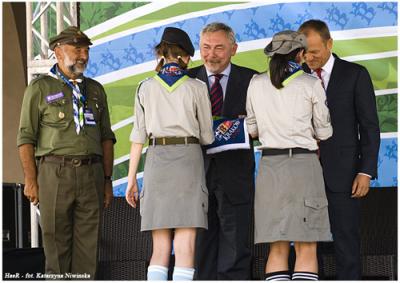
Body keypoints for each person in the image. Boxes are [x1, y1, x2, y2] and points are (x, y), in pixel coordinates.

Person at [17, 26, 116, 279]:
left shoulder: (95, 89)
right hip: (54, 173)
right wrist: (30, 179)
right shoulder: (40, 88)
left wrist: (106, 180)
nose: (83, 55)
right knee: (56, 250)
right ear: (58, 52)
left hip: (92, 174)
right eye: (77, 49)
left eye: (86, 50)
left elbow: (106, 137)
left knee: (89, 250)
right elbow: (25, 138)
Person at [125, 27, 214, 281]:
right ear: (185, 57)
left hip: (156, 162)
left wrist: (132, 179)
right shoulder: (197, 87)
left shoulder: (145, 87)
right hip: (188, 161)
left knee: (160, 247)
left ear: (162, 54)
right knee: (185, 245)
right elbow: (207, 136)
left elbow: (138, 137)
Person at [246, 30, 333, 281]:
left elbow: (252, 130)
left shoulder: (256, 83)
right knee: (306, 245)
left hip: (269, 167)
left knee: (277, 245)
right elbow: (325, 132)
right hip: (304, 166)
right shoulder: (310, 83)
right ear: (300, 54)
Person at [298, 20, 381, 280]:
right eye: (304, 52)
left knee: (347, 241)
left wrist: (365, 171)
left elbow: (369, 127)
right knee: (309, 244)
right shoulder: (295, 77)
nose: (309, 58)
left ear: (329, 44)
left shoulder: (355, 74)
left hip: (345, 175)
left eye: (314, 51)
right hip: (303, 174)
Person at [187, 22, 258, 280]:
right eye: (206, 47)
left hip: (236, 175)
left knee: (236, 247)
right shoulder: (186, 80)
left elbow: (264, 124)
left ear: (234, 49)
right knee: (200, 249)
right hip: (196, 176)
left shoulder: (253, 80)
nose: (211, 54)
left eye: (219, 48)